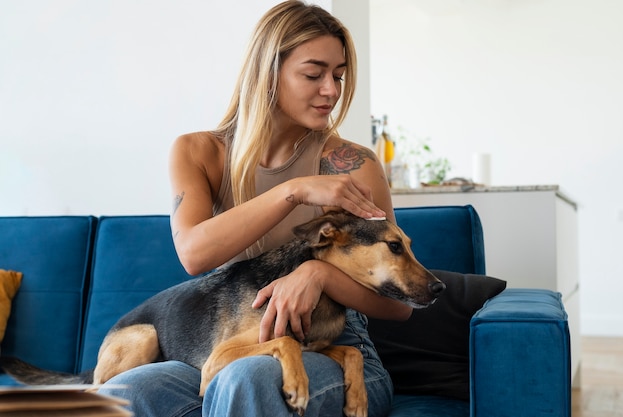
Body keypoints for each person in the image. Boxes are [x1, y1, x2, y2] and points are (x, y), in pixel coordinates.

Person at [100, 1, 412, 416]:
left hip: (336, 346)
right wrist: (295, 190)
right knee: (129, 389)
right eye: (313, 74)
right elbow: (194, 254)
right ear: (268, 72)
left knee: (246, 378)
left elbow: (400, 304)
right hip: (232, 342)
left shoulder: (353, 165)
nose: (332, 90)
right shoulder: (198, 151)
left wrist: (317, 273)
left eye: (338, 75)